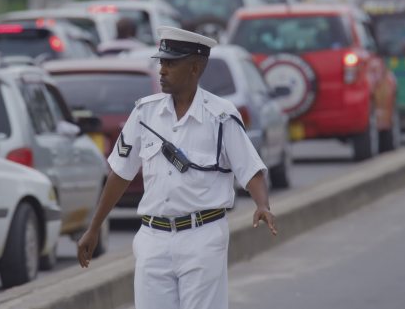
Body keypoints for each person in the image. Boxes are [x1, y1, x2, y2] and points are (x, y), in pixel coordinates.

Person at [77, 26, 277, 309]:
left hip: (203, 237)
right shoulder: (145, 113)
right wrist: (94, 227)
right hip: (153, 238)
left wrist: (263, 205)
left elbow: (250, 169)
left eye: (171, 63)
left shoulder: (220, 116)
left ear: (195, 67)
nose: (162, 70)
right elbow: (120, 173)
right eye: (161, 62)